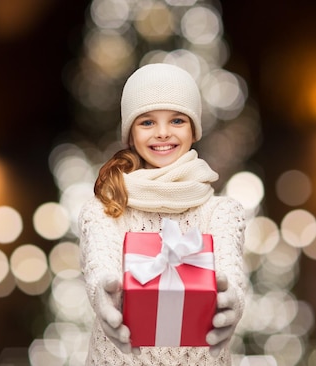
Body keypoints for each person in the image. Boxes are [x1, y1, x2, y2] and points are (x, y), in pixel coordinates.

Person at [78, 63, 246, 365]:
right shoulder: (104, 210)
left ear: (194, 129)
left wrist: (232, 302)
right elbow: (100, 265)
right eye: (147, 122)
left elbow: (230, 275)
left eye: (177, 120)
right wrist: (103, 293)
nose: (163, 133)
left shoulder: (221, 212)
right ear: (130, 132)